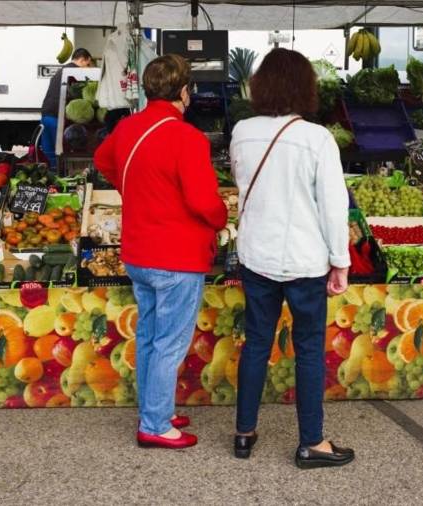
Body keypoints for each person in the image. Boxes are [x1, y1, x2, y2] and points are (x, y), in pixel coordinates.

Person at [93, 54, 228, 449]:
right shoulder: (188, 138)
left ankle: (155, 409)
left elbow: (102, 160)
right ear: (184, 91)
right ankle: (154, 425)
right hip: (176, 256)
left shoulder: (127, 127)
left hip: (138, 252)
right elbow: (204, 202)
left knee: (151, 337)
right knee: (169, 342)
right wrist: (221, 218)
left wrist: (131, 188)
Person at [229, 48, 354, 469]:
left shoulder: (242, 131)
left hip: (256, 255)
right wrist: (340, 261)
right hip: (304, 260)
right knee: (308, 350)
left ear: (260, 85)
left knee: (256, 343)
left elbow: (243, 184)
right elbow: (333, 207)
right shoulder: (317, 138)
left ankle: (244, 433)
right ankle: (311, 442)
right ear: (305, 87)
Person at [39, 48, 93, 165]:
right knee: (60, 153)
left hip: (46, 114)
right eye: (88, 64)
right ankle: (59, 173)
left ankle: (51, 172)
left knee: (49, 152)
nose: (88, 68)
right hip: (56, 117)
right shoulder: (75, 72)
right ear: (82, 60)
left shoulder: (62, 70)